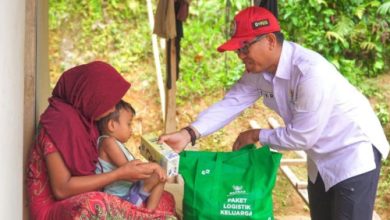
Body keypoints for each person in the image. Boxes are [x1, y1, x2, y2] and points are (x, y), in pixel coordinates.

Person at [159, 6, 390, 220]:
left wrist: (257, 135)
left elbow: (302, 137)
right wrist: (189, 133)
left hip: (351, 152)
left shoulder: (310, 73)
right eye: (238, 49)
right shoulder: (259, 72)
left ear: (270, 40)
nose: (240, 55)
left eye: (245, 47)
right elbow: (232, 102)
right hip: (320, 157)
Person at [27, 61, 176, 220]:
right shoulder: (59, 123)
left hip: (90, 193)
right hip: (54, 207)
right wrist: (119, 174)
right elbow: (61, 190)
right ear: (91, 97)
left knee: (164, 198)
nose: (112, 110)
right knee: (96, 205)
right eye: (109, 102)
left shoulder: (86, 122)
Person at [96, 99, 166, 210]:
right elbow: (131, 172)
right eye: (128, 124)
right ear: (112, 125)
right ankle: (139, 201)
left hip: (131, 189)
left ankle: (149, 211)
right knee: (158, 171)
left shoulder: (118, 144)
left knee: (162, 175)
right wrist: (153, 166)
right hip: (119, 197)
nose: (131, 129)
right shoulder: (108, 142)